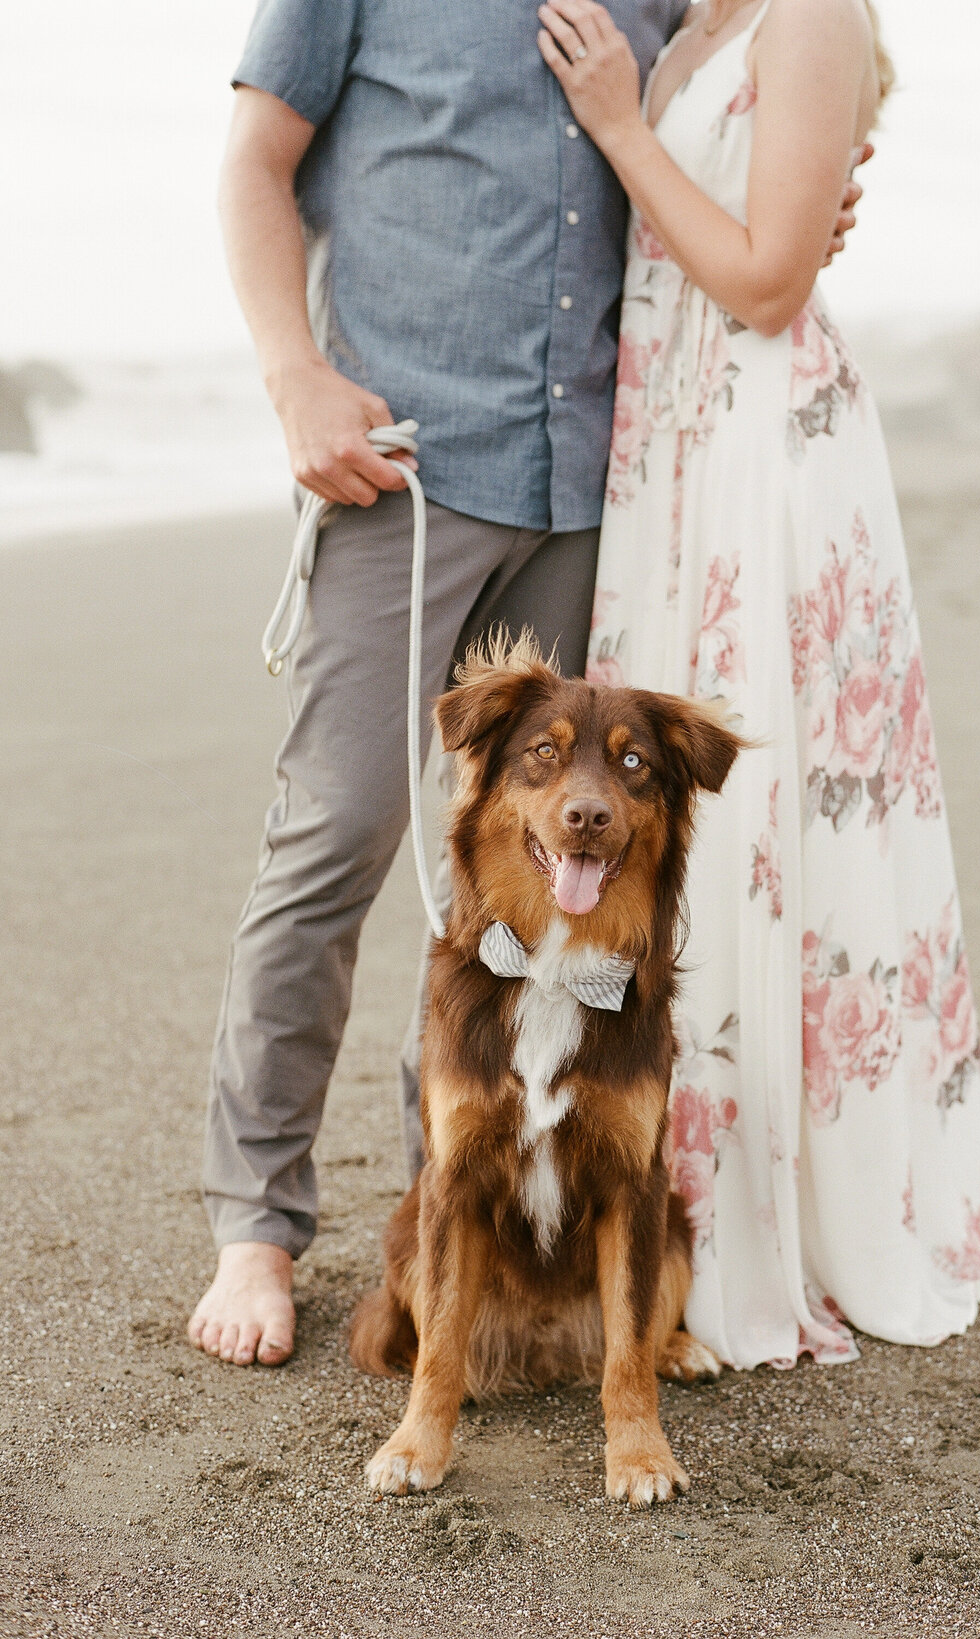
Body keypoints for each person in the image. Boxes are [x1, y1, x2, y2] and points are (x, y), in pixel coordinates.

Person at [187, 0, 867, 1368]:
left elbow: (730, 106)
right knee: (335, 843)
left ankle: (452, 1194)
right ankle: (256, 1229)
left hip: (594, 493)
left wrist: (807, 181)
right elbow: (255, 163)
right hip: (405, 476)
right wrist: (291, 377)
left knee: (527, 894)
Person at [539, 0, 980, 1366]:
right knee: (674, 826)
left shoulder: (810, 11)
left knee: (763, 823)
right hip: (675, 442)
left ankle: (783, 1219)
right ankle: (663, 1202)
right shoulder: (688, 22)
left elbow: (768, 282)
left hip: (761, 447)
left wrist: (625, 130)